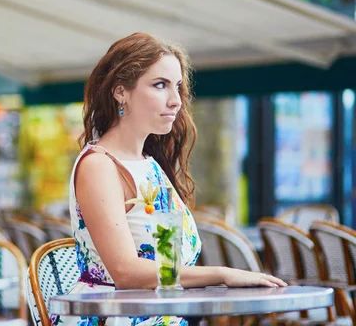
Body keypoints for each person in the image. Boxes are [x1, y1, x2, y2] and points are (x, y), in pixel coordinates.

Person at [62, 32, 286, 326]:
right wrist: (222, 273)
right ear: (121, 92)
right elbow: (126, 272)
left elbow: (166, 268)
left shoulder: (149, 165)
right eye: (160, 85)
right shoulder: (99, 166)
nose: (176, 100)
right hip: (115, 318)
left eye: (178, 87)